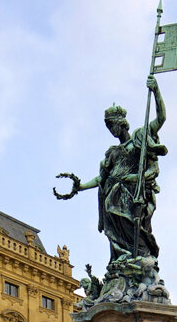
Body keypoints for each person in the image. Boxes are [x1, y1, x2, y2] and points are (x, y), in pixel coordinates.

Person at [55, 76, 167, 266]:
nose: (111, 130)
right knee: (113, 219)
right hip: (113, 198)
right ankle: (123, 258)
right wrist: (80, 187)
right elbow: (102, 178)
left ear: (122, 123)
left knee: (132, 225)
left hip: (132, 195)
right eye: (108, 127)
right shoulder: (113, 152)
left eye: (112, 125)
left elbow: (161, 118)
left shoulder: (139, 138)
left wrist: (156, 91)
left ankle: (138, 256)